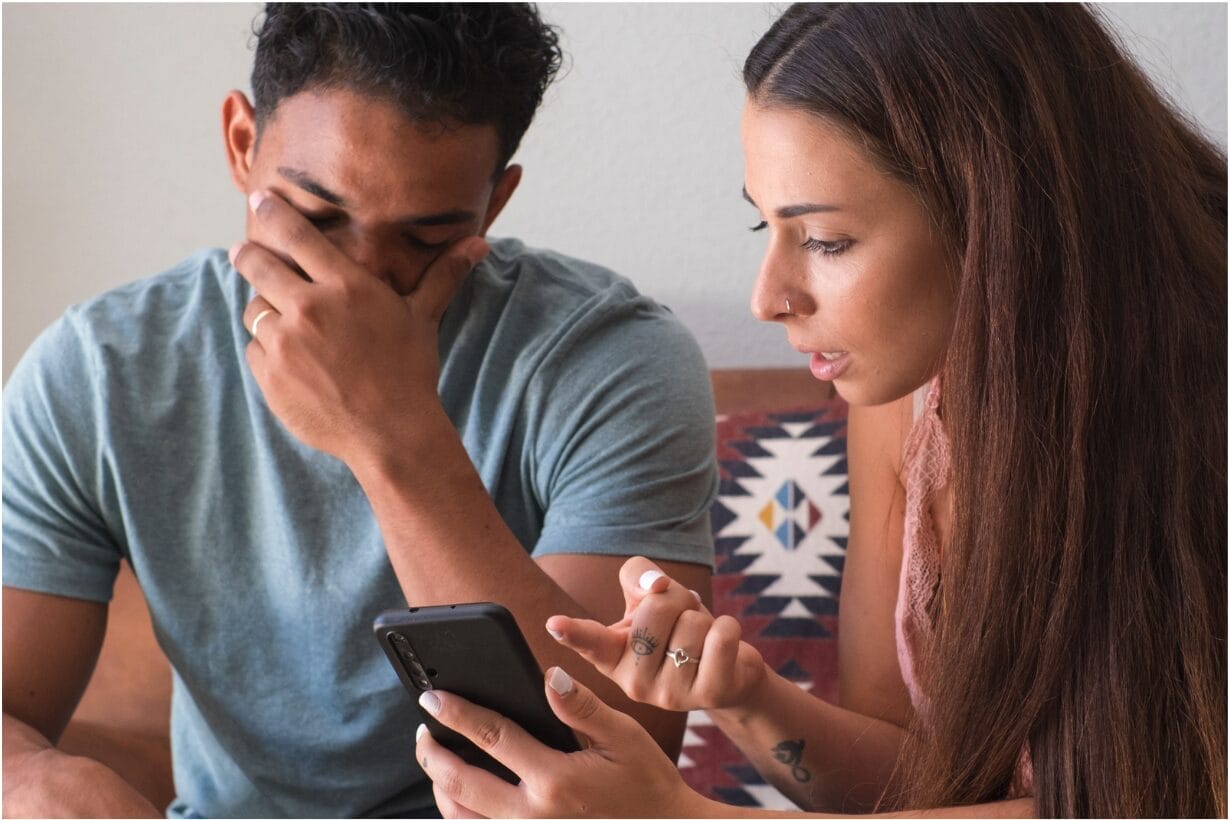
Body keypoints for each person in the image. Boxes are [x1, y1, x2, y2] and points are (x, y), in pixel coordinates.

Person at [411, 4, 1227, 818]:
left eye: (826, 240)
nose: (768, 298)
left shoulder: (1197, 404)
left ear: (1002, 215)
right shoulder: (907, 393)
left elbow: (1137, 800)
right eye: (763, 224)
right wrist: (742, 696)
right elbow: (916, 781)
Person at [2, 4, 717, 817]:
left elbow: (618, 763)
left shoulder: (611, 361)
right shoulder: (98, 373)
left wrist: (389, 435)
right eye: (315, 218)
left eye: (423, 237)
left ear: (495, 202)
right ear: (242, 144)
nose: (358, 283)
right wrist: (33, 780)